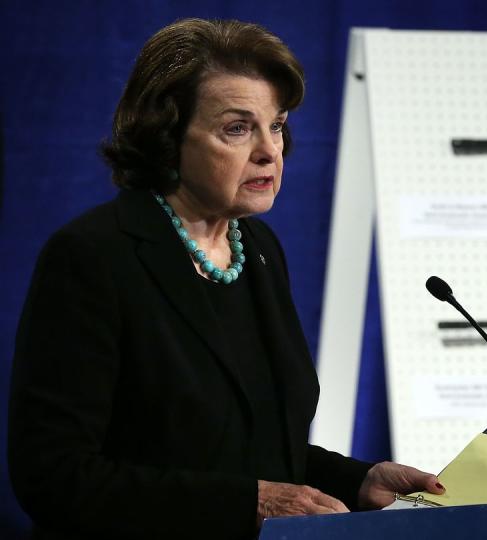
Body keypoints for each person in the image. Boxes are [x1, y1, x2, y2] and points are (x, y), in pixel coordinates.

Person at [8, 18, 443, 540]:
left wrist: (358, 479)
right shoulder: (94, 257)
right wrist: (247, 504)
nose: (269, 151)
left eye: (276, 125)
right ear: (167, 137)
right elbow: (54, 477)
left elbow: (254, 446)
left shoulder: (257, 250)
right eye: (238, 128)